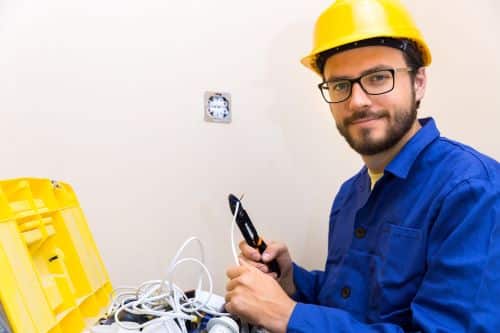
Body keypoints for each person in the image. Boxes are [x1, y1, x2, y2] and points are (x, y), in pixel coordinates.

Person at [224, 0, 500, 332]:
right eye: (340, 85)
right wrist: (292, 281)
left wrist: (286, 315)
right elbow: (353, 304)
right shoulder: (349, 195)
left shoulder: (473, 191)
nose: (357, 101)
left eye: (379, 77)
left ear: (419, 82)